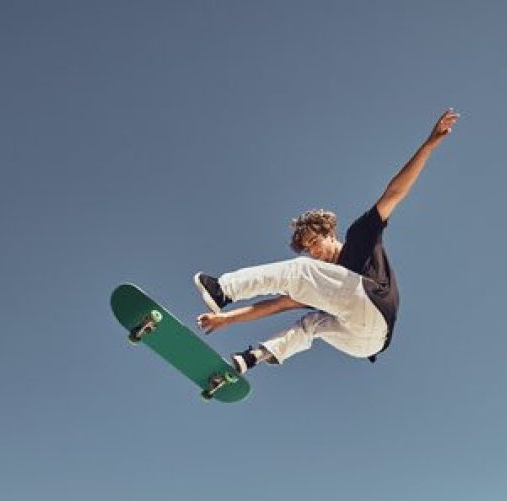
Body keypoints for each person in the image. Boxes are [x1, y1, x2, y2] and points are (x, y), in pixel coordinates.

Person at [194, 108, 460, 374]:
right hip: (363, 344)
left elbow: (394, 193)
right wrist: (226, 320)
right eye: (308, 249)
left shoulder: (360, 234)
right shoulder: (325, 288)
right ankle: (255, 357)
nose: (313, 252)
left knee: (299, 270)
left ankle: (224, 289)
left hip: (375, 304)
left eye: (314, 243)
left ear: (329, 233)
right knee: (312, 322)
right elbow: (278, 304)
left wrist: (429, 144)